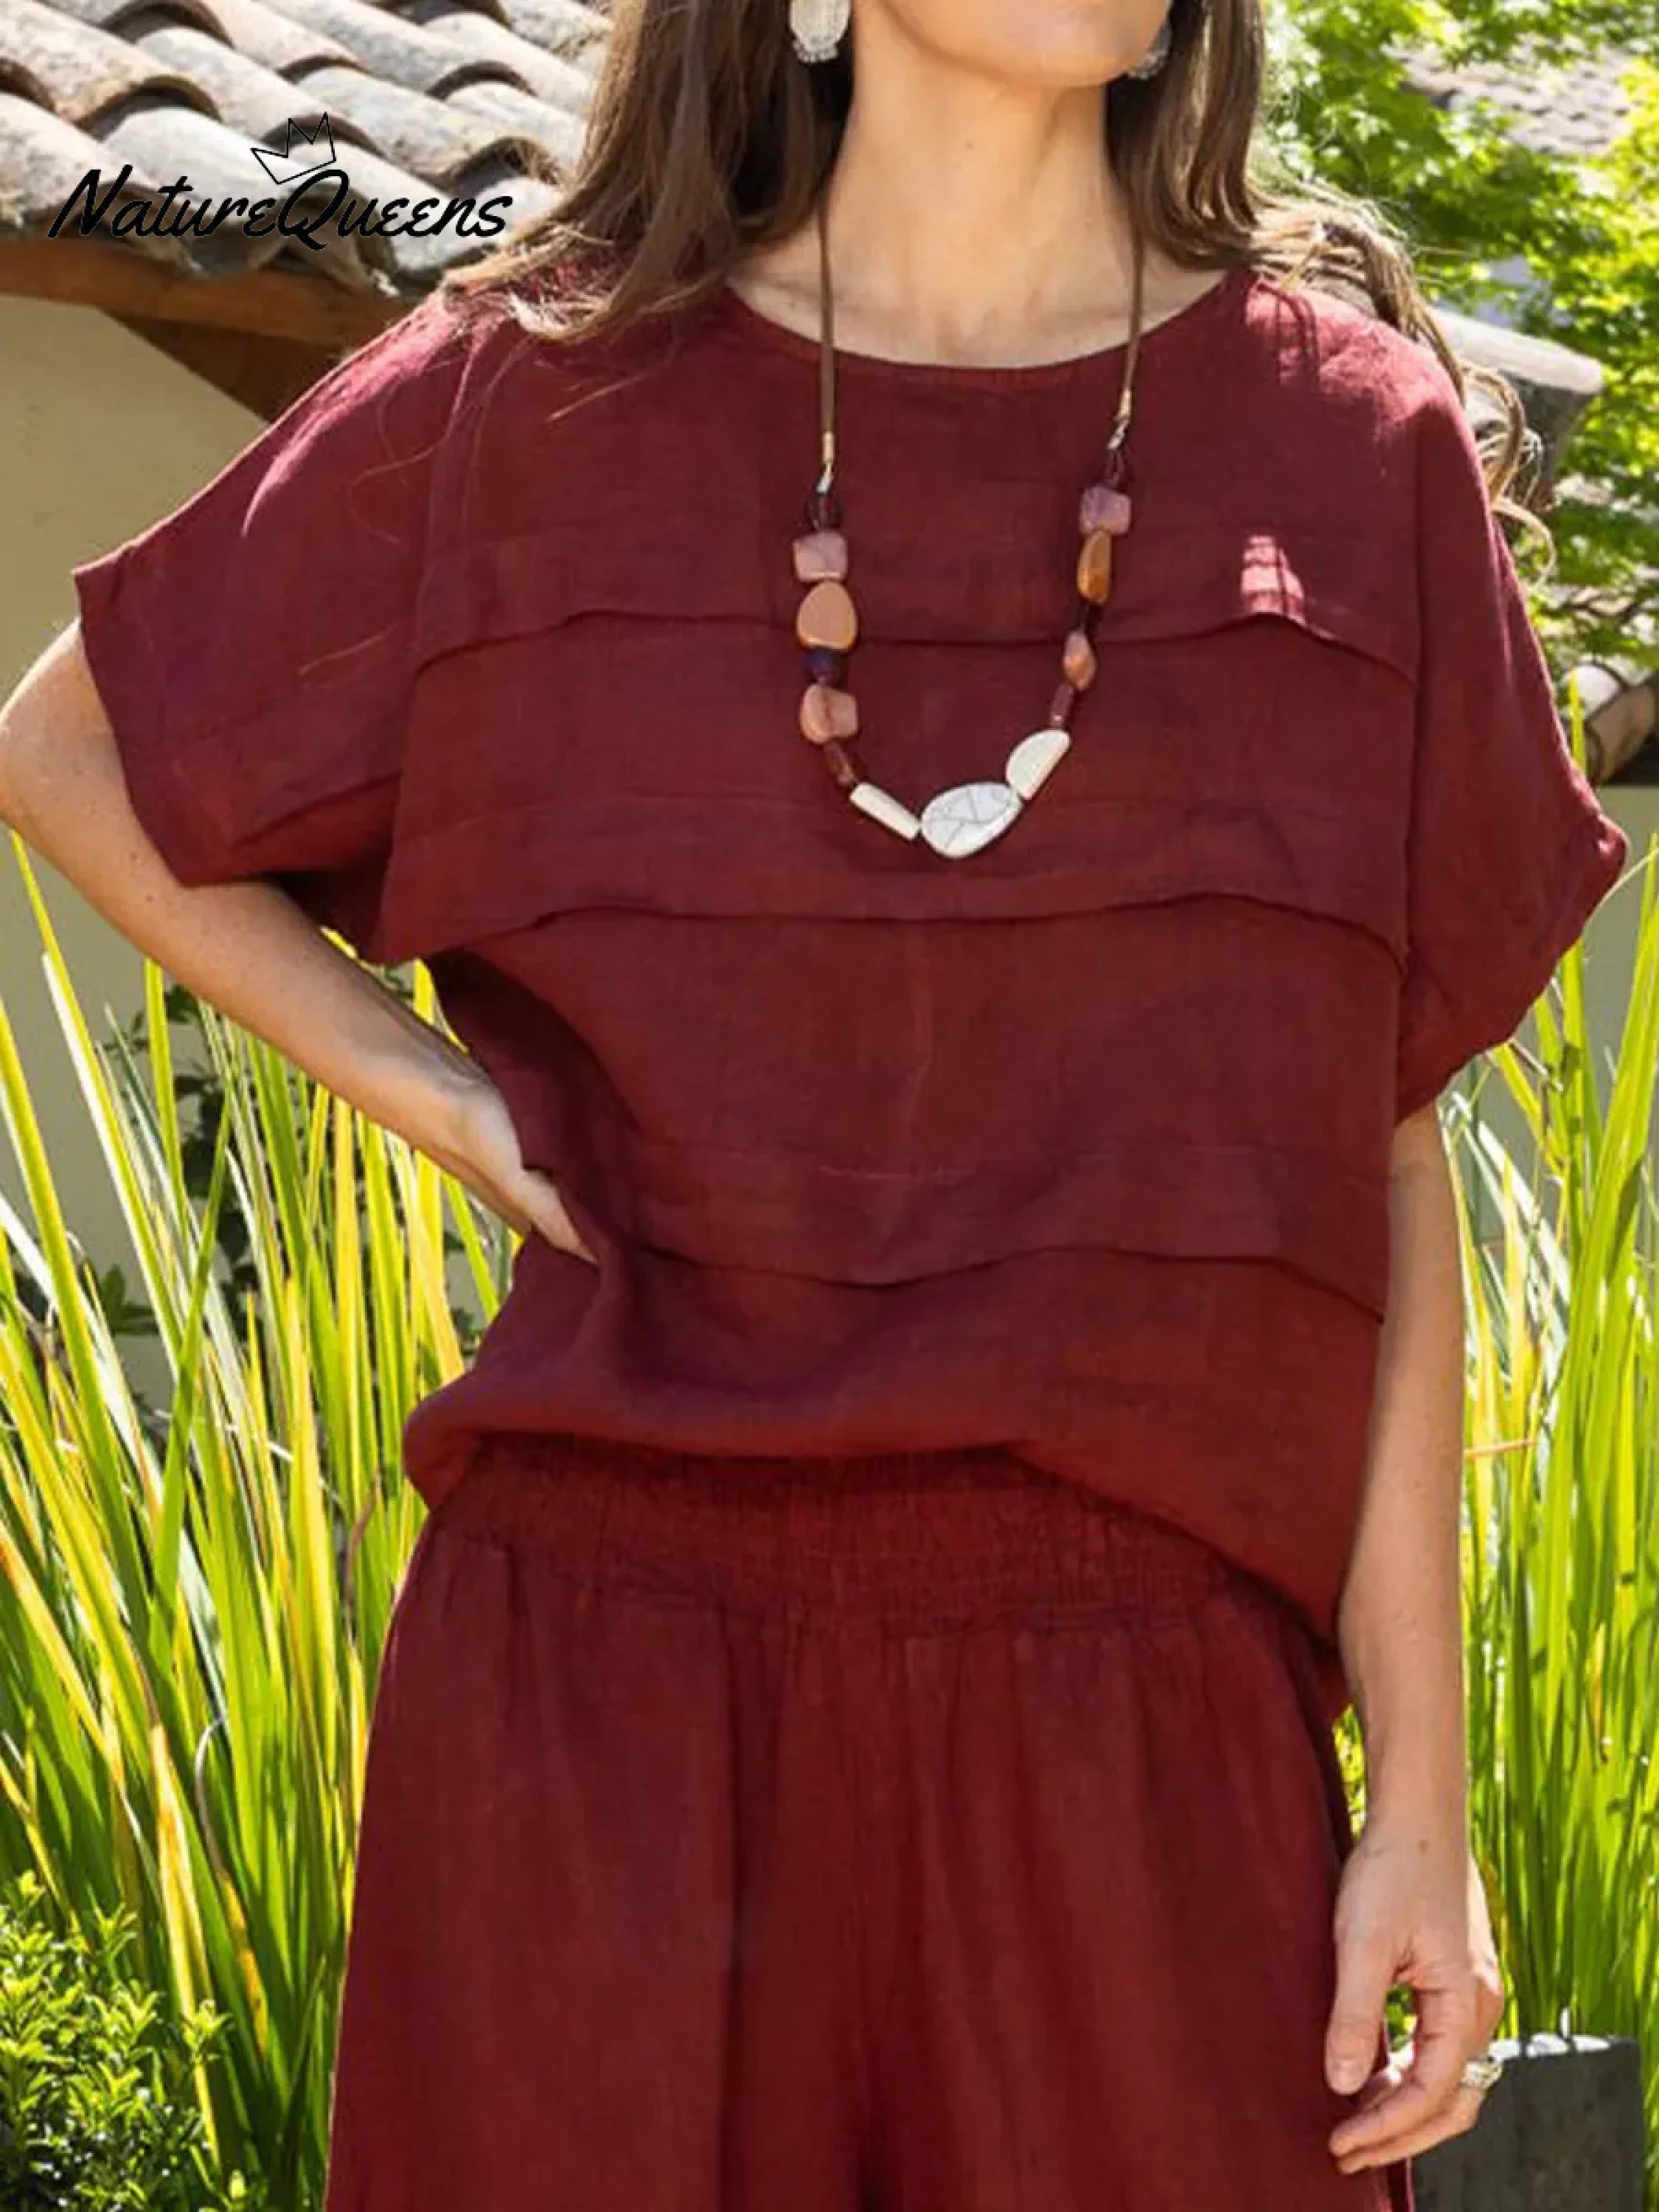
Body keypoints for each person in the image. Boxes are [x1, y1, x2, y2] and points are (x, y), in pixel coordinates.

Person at [0, 0, 1630, 2204]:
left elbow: (1384, 1139)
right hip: (604, 1727)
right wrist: (436, 1094)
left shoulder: (1350, 444)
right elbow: (71, 748)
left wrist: (1421, 1799)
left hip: (1149, 1744)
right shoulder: (532, 394)